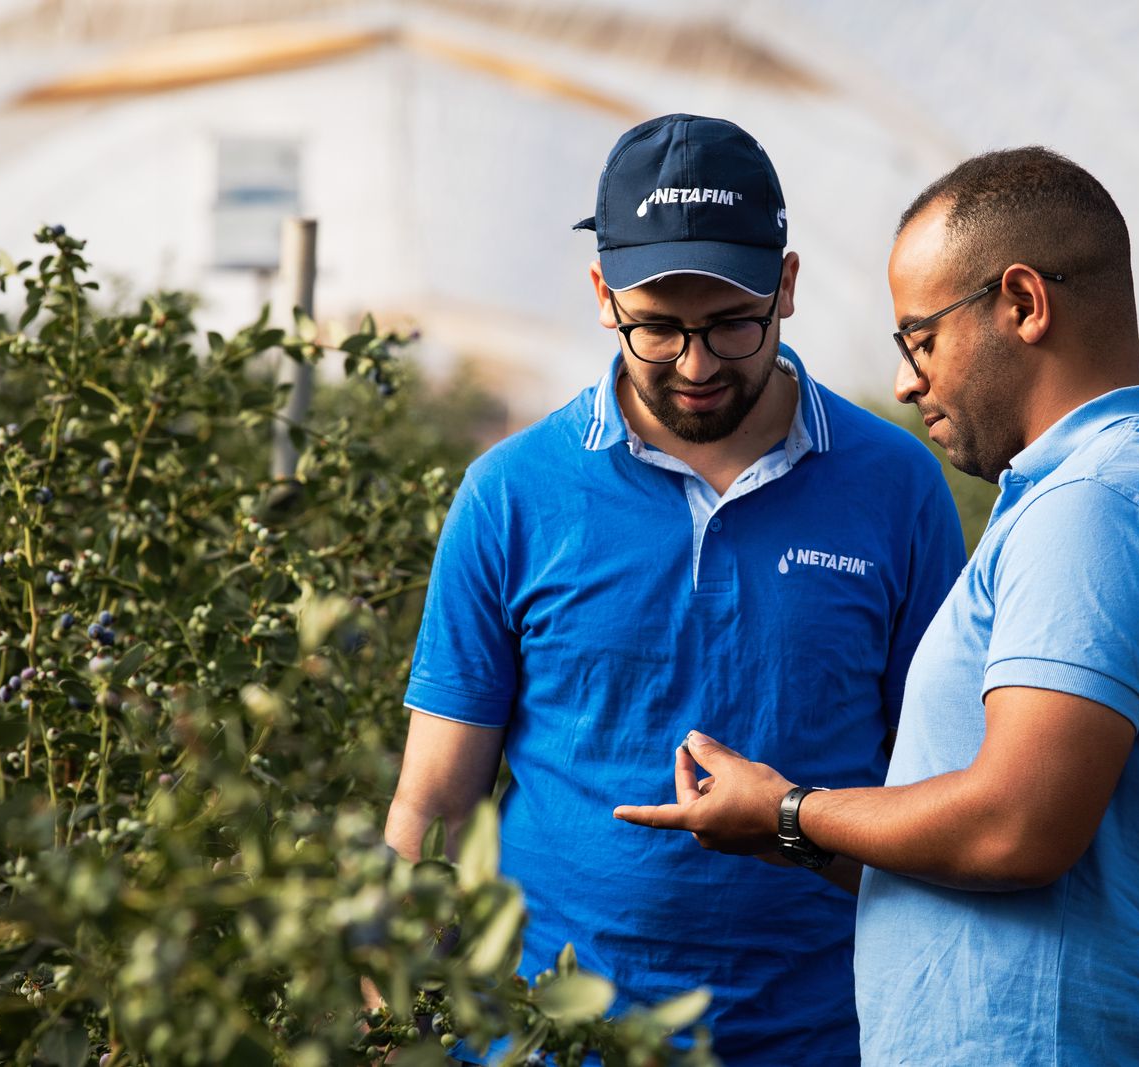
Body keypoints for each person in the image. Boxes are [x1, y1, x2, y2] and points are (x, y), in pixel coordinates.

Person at [615, 146, 1139, 1065]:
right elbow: (975, 837)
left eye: (920, 339)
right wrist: (787, 832)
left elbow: (1016, 826)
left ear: (1024, 304)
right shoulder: (1106, 489)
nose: (908, 383)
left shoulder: (1094, 509)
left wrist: (792, 809)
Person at [384, 113, 966, 1064]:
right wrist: (392, 1019)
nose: (695, 366)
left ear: (786, 287)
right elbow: (436, 804)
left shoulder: (895, 488)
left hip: (819, 1036)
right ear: (602, 294)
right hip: (545, 1039)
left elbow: (936, 786)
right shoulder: (513, 494)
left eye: (733, 324)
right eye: (657, 327)